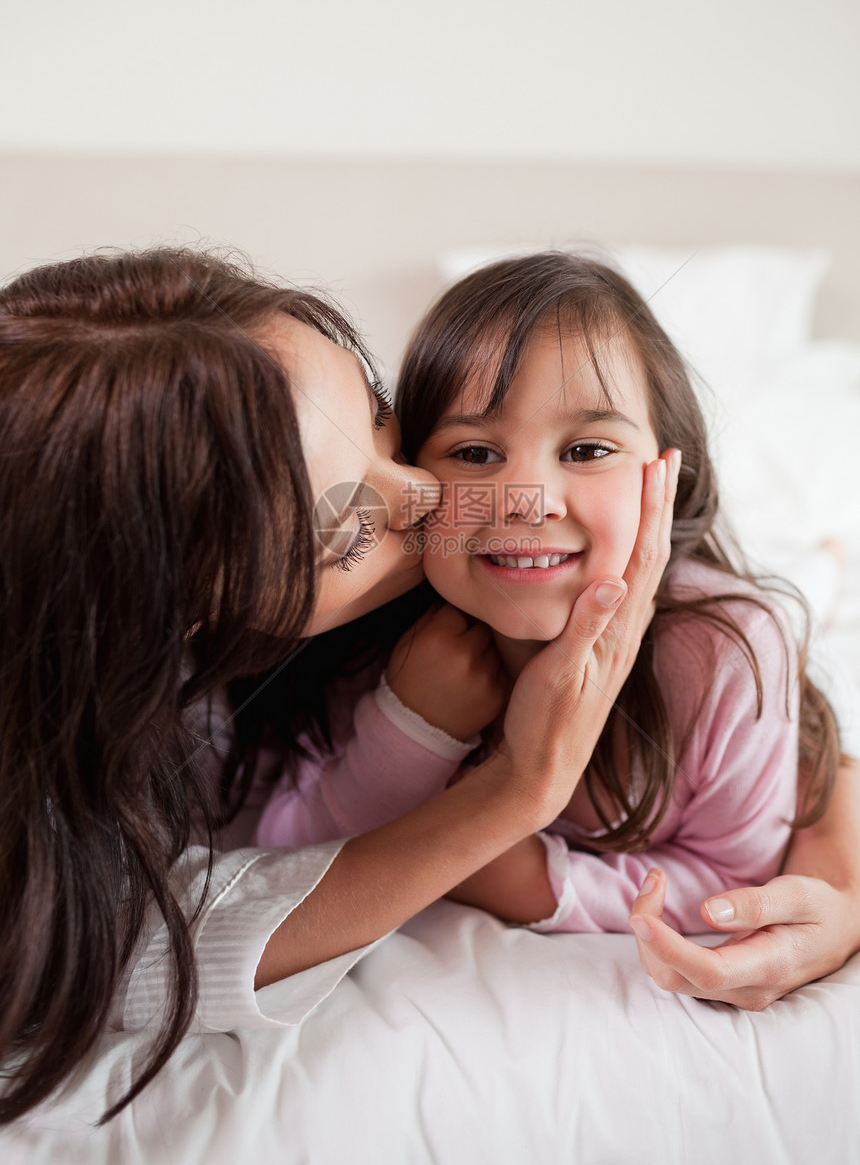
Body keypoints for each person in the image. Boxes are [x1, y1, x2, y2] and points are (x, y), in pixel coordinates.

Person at [0, 248, 856, 1133]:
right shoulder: (260, 681)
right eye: (345, 525)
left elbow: (761, 773)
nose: (426, 496)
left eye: (378, 419)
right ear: (186, 616)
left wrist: (839, 852)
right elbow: (188, 912)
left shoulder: (704, 640)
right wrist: (492, 779)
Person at [255, 251, 845, 937]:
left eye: (588, 451)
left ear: (668, 475)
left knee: (811, 585)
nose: (524, 503)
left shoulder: (725, 648)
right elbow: (280, 852)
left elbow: (736, 877)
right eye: (474, 453)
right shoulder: (378, 628)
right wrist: (410, 726)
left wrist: (516, 873)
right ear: (412, 479)